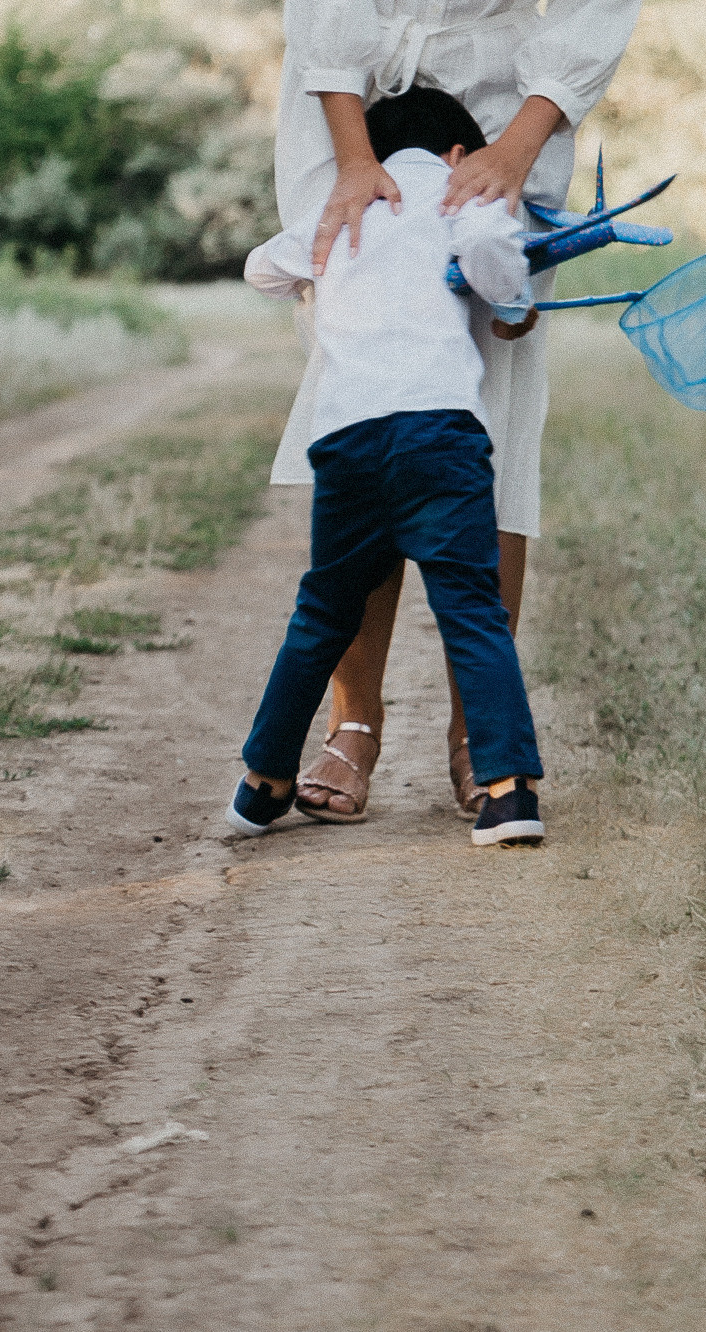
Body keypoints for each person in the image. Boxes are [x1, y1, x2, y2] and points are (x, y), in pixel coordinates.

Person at [272, 0, 656, 822]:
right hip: (352, 128)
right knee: (373, 418)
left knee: (488, 423)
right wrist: (350, 160)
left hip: (501, 133)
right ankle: (355, 723)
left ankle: (480, 731)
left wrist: (519, 143)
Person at [227, 89, 548, 849]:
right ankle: (507, 790)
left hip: (345, 438)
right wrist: (511, 305)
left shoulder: (341, 207)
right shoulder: (458, 193)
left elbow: (261, 270)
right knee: (468, 606)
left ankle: (262, 781)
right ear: (460, 154)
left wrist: (321, 276)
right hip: (436, 431)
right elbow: (493, 249)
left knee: (323, 610)